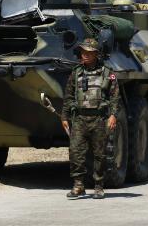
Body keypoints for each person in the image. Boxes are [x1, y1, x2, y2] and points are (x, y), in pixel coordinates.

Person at [61, 38, 119, 200]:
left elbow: (114, 96)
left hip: (99, 119)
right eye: (82, 52)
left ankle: (99, 186)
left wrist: (113, 115)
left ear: (96, 54)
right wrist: (64, 115)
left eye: (88, 52)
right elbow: (68, 95)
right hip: (79, 118)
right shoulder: (76, 72)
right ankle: (78, 185)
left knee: (100, 154)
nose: (84, 55)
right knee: (75, 152)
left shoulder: (108, 73)